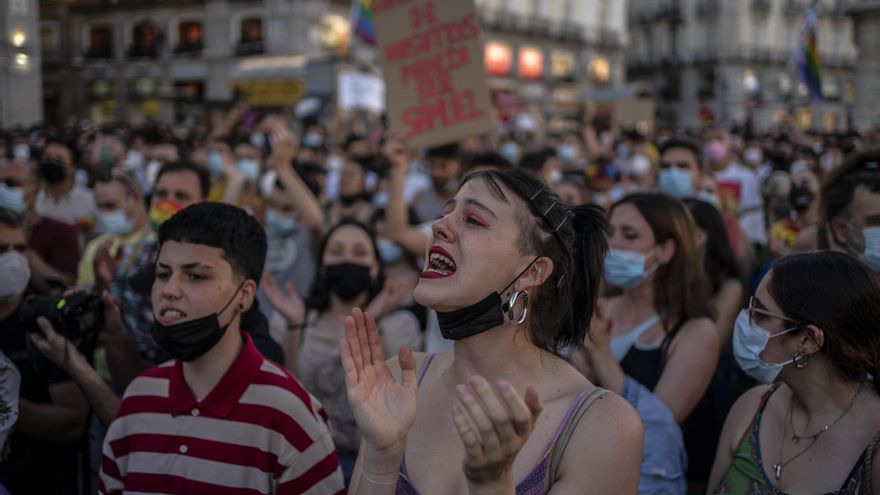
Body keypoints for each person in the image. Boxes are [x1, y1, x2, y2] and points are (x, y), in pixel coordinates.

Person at [341, 168, 643, 494]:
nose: (438, 226)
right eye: (446, 213)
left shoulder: (601, 425)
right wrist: (383, 457)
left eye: (473, 220)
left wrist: (492, 485)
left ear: (534, 270)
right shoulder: (399, 382)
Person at [99, 202, 345, 494]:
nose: (169, 290)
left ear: (244, 295)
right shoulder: (138, 399)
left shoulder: (290, 416)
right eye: (163, 273)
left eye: (196, 275)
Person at [578, 192, 720, 490]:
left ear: (666, 250)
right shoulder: (601, 307)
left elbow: (656, 427)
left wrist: (599, 354)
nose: (614, 245)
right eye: (611, 233)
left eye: (630, 236)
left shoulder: (696, 331)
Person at [263, 219, 421, 483]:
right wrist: (294, 326)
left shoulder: (399, 325)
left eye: (360, 253)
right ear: (322, 264)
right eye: (336, 251)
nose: (347, 259)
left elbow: (390, 395)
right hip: (304, 456)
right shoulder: (294, 316)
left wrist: (373, 318)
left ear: (375, 268)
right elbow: (290, 395)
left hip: (370, 462)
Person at [709, 251, 880, 494]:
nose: (746, 321)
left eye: (760, 314)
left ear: (809, 340)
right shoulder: (751, 408)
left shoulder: (873, 442)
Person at [0, 208, 89, 494]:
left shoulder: (44, 324)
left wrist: (8, 409)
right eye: (2, 249)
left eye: (21, 249)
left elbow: (72, 422)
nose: (13, 259)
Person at [0, 158, 81, 291]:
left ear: (35, 189)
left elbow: (60, 288)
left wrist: (20, 249)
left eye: (12, 183)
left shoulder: (62, 232)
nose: (2, 189)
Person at [35, 139, 96, 232]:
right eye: (47, 159)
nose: (52, 164)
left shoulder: (91, 201)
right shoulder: (32, 199)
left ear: (73, 167)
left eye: (59, 161)